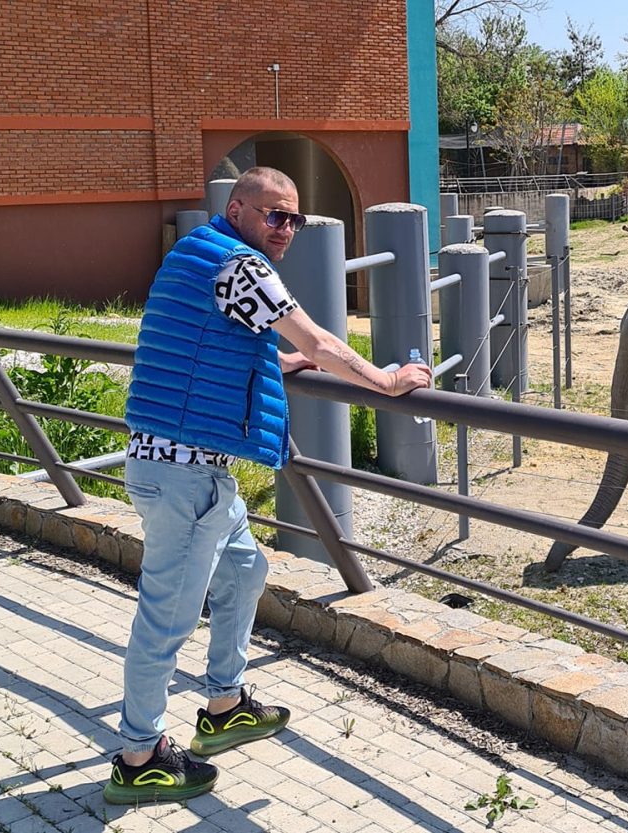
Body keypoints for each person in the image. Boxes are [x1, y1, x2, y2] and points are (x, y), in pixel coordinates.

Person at [104, 167, 431, 804]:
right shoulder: (243, 267)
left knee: (246, 571)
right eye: (274, 215)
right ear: (238, 208)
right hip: (183, 474)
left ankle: (225, 703)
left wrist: (288, 362)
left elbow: (213, 346)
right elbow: (317, 336)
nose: (286, 229)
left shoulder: (196, 256)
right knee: (166, 619)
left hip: (187, 472)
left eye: (295, 219)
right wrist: (388, 383)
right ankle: (139, 754)